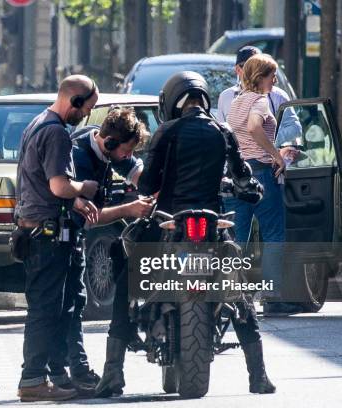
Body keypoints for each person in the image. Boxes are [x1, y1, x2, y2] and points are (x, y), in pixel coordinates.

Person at [95, 71, 275, 397]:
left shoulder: (168, 131)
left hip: (169, 220)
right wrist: (250, 190)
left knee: (126, 275)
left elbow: (147, 185)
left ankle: (113, 373)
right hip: (212, 223)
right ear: (204, 99)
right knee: (237, 288)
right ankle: (258, 376)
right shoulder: (223, 130)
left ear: (172, 100)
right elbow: (244, 178)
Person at [14, 75, 100, 402]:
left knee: (47, 305)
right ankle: (33, 379)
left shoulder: (38, 122)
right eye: (87, 108)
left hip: (33, 227)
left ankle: (48, 374)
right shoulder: (57, 133)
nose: (87, 116)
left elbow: (36, 180)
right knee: (45, 309)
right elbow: (58, 186)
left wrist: (74, 201)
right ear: (74, 102)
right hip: (47, 234)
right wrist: (84, 188)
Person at [64, 107, 153, 396]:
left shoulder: (113, 150)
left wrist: (156, 188)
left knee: (80, 297)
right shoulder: (79, 156)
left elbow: (138, 172)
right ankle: (68, 371)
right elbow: (92, 216)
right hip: (64, 235)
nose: (128, 156)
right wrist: (129, 208)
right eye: (126, 150)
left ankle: (78, 368)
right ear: (111, 143)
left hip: (77, 235)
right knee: (70, 304)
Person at [224, 53, 300, 316]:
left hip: (237, 175)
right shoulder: (260, 101)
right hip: (261, 174)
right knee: (273, 235)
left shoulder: (236, 103)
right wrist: (277, 154)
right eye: (271, 75)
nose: (274, 80)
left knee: (238, 237)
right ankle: (271, 295)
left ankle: (235, 294)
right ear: (260, 77)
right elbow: (256, 127)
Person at [216, 46, 302, 147]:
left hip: (269, 159)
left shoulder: (278, 96)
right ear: (238, 70)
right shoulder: (226, 97)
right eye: (251, 67)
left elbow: (295, 128)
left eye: (260, 67)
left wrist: (269, 141)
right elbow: (221, 133)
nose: (257, 71)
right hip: (239, 159)